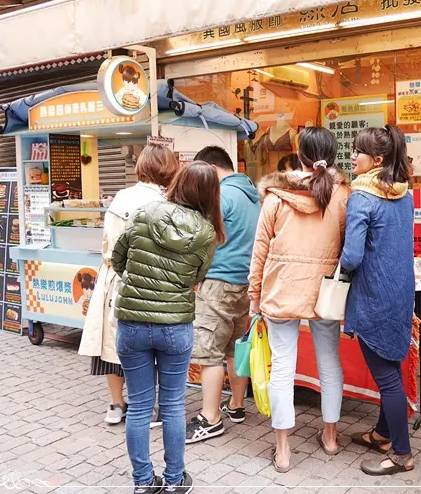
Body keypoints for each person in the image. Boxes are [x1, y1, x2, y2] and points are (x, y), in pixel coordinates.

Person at [113, 162, 224, 494]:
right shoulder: (207, 233)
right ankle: (175, 481)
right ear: (210, 195)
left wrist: (140, 287)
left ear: (179, 182)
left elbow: (118, 259)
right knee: (174, 405)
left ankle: (143, 482)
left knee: (141, 406)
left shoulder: (145, 212)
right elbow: (196, 280)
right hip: (175, 326)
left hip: (132, 323)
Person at [248, 127, 349, 472]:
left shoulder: (276, 197)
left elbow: (259, 251)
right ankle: (331, 436)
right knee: (329, 362)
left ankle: (283, 449)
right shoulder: (343, 195)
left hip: (281, 291)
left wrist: (253, 295)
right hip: (325, 294)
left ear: (298, 152)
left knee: (282, 367)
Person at [78, 143, 178, 426]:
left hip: (114, 279)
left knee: (113, 345)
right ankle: (147, 406)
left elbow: (107, 245)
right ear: (169, 168)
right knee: (150, 347)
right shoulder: (167, 201)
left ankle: (116, 404)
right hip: (153, 282)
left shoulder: (120, 197)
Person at [341, 124, 415, 476]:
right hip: (400, 292)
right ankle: (384, 434)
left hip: (373, 295)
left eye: (359, 151)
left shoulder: (361, 198)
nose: (352, 156)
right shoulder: (405, 194)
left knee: (387, 378)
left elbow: (352, 257)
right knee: (393, 368)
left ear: (378, 160)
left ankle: (401, 452)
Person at [186, 146, 260, 444]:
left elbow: (202, 239)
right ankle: (237, 405)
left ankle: (210, 418)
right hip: (245, 284)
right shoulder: (252, 195)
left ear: (210, 168)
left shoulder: (221, 196)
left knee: (209, 354)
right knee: (234, 349)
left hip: (217, 283)